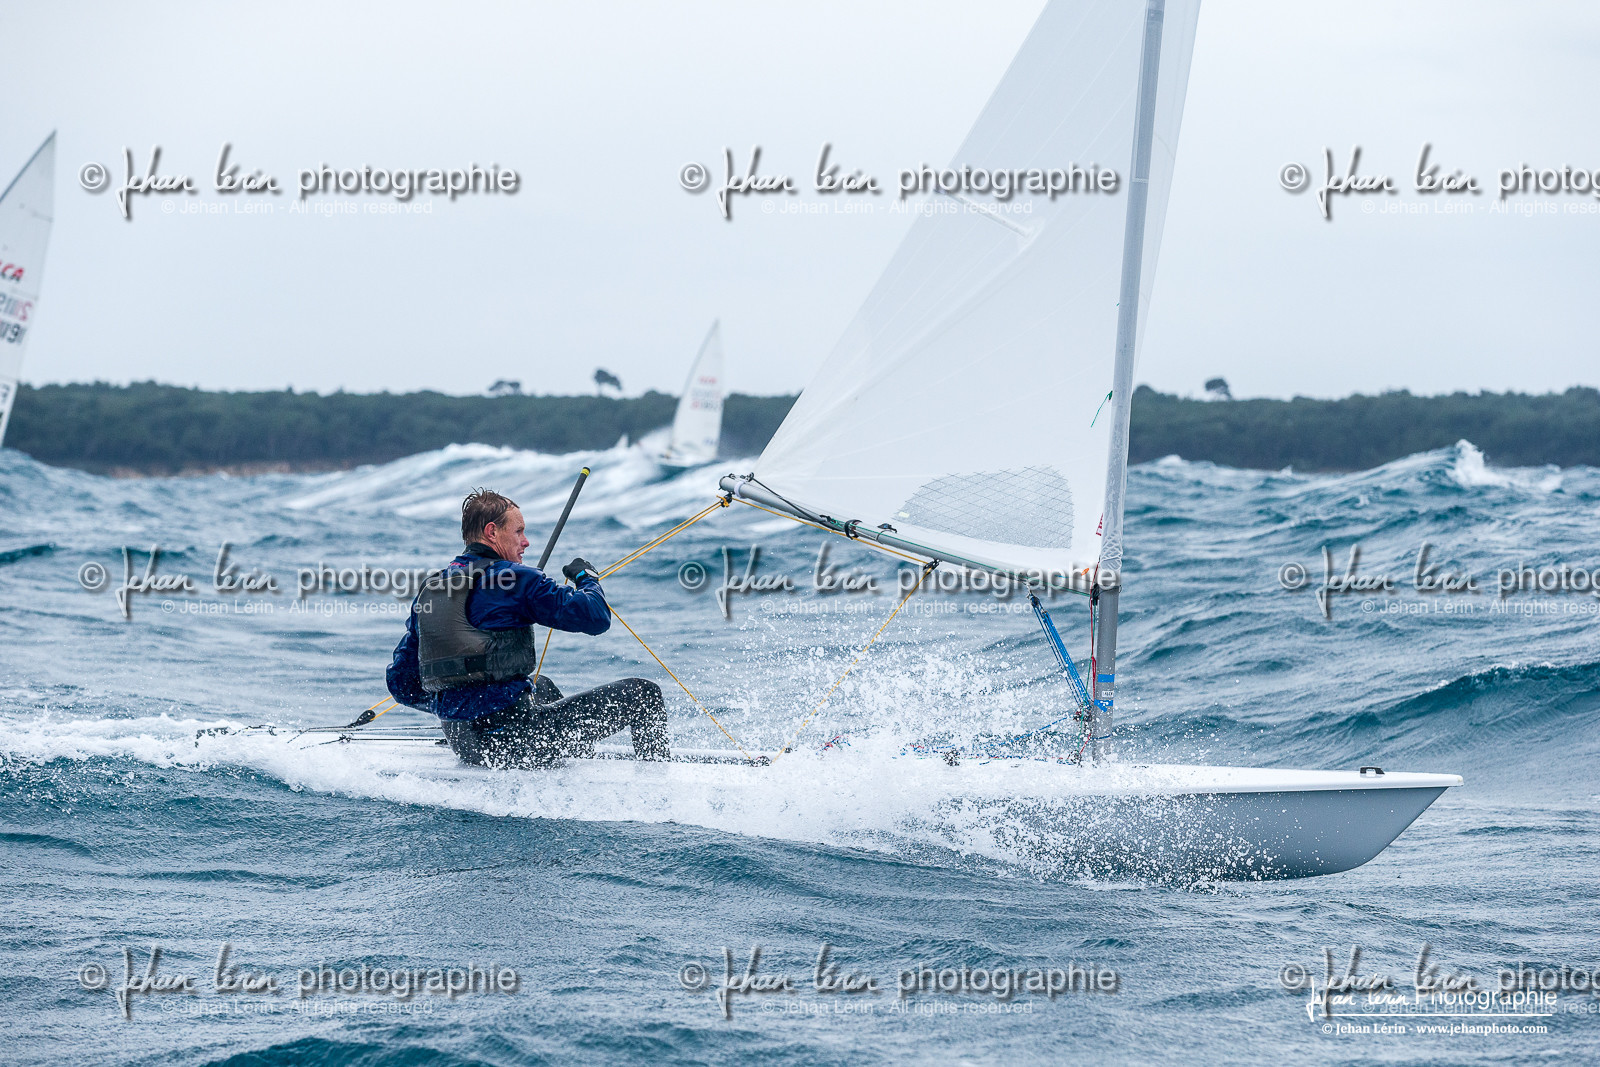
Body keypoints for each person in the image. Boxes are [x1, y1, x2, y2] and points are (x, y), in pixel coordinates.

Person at [386, 487, 669, 768]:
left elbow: (401, 684)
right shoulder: (518, 579)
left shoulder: (432, 588)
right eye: (519, 531)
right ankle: (658, 785)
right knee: (644, 694)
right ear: (492, 532)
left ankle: (576, 762)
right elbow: (595, 618)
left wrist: (457, 707)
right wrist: (586, 579)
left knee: (541, 684)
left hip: (464, 742)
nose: (527, 542)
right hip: (516, 744)